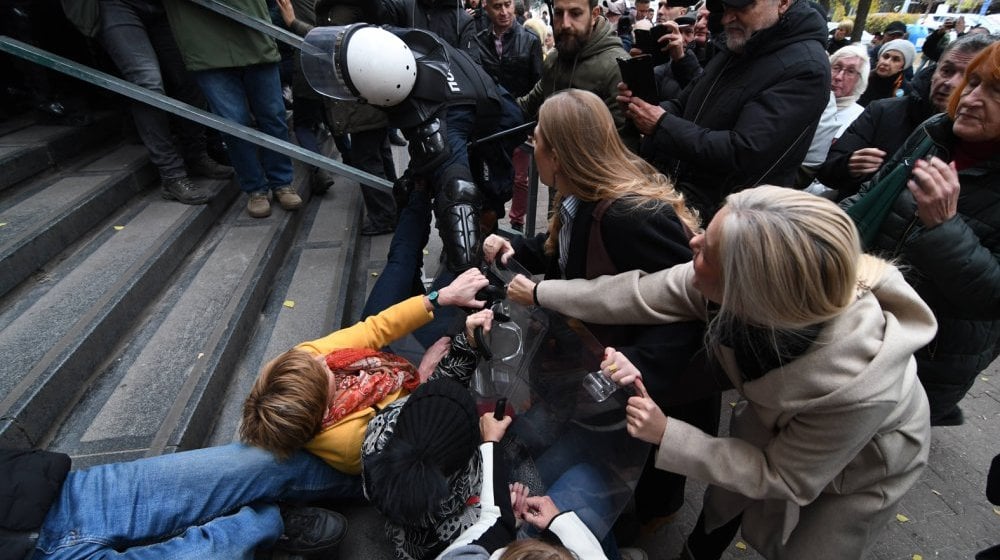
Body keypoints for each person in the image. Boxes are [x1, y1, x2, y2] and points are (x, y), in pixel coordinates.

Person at [520, 186, 936, 559]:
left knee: (814, 548)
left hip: (866, 460)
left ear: (748, 291)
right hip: (777, 416)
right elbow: (638, 293)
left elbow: (785, 476)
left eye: (706, 248)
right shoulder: (738, 286)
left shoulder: (857, 389)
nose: (693, 241)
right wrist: (540, 292)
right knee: (725, 500)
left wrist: (668, 434)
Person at [485, 89, 716, 539]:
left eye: (538, 140)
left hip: (649, 378)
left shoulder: (628, 215)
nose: (533, 149)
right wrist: (520, 247)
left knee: (649, 476)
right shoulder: (578, 198)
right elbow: (570, 260)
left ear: (561, 153)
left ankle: (649, 520)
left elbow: (688, 306)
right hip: (606, 368)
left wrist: (634, 370)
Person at [842, 42, 1000, 426]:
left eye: (996, 91)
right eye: (973, 82)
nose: (970, 96)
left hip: (924, 359)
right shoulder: (933, 134)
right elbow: (869, 197)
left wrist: (945, 229)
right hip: (857, 326)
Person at [302, 24, 523, 274]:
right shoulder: (414, 44)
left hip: (492, 137)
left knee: (470, 206)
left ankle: (482, 265)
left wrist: (467, 274)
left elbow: (458, 194)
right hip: (487, 109)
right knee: (417, 184)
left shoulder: (440, 128)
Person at [240, 267, 488, 471]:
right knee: (457, 326)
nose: (324, 359)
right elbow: (410, 425)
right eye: (324, 372)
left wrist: (438, 297)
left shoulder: (305, 358)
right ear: (327, 404)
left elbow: (373, 330)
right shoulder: (348, 444)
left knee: (430, 279)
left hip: (387, 367)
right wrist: (425, 374)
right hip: (413, 395)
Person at [618, 0, 830, 220]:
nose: (728, 18)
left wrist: (660, 124)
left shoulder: (807, 67)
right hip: (678, 195)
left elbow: (744, 152)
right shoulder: (738, 45)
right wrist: (643, 109)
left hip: (726, 219)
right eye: (726, 8)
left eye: (741, 8)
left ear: (783, 3)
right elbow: (685, 105)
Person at [3, 442, 358, 559]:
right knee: (215, 552)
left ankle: (392, 486)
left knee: (263, 462)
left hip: (47, 495)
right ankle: (270, 519)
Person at [62, 0, 233, 206]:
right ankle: (172, 175)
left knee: (190, 72)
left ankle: (196, 154)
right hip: (114, 5)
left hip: (164, 6)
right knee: (147, 82)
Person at [162, 0, 302, 219]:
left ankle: (282, 183)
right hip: (205, 45)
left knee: (273, 115)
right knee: (234, 123)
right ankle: (255, 188)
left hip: (254, 37)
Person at [817, 33, 997, 198]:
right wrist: (848, 165)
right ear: (935, 70)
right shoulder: (883, 112)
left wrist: (945, 225)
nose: (951, 83)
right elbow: (828, 171)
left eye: (968, 78)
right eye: (947, 71)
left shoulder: (978, 147)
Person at [275, 0, 399, 235]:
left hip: (360, 91)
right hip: (367, 88)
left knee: (368, 160)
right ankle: (395, 205)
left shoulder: (344, 8)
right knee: (378, 153)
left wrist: (294, 23)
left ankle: (384, 216)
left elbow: (334, 42)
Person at [437, 413, 608, 560]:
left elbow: (489, 525)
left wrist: (508, 525)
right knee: (584, 475)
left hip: (504, 531)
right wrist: (558, 521)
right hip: (519, 532)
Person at [518, 0, 639, 153]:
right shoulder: (555, 59)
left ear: (594, 14)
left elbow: (623, 152)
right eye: (559, 13)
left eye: (575, 14)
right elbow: (528, 104)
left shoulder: (616, 67)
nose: (565, 24)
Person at [476, 0, 543, 234]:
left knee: (519, 178)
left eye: (507, 4)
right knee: (488, 179)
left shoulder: (529, 40)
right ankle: (488, 227)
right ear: (487, 8)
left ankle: (517, 222)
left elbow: (538, 83)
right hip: (488, 125)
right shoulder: (477, 40)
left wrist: (534, 123)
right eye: (497, 6)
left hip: (519, 123)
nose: (503, 12)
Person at [858, 38, 915, 106]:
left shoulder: (906, 91)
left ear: (902, 67)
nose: (886, 62)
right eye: (885, 56)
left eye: (895, 60)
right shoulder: (862, 78)